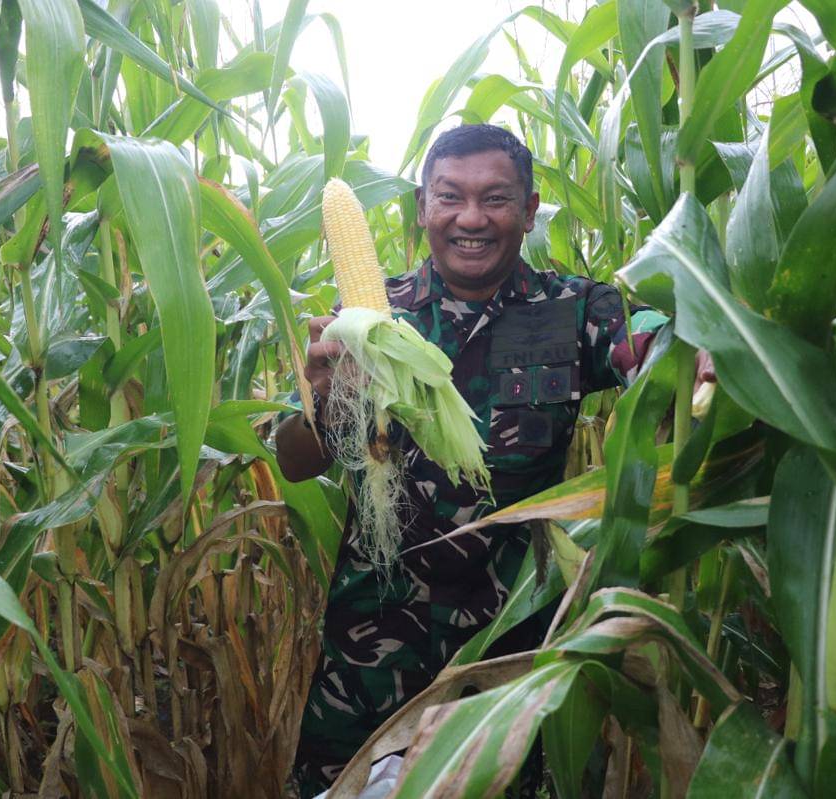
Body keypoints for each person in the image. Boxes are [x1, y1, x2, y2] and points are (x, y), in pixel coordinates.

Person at [276, 124, 702, 797]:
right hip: (370, 651)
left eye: (496, 199)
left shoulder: (575, 310)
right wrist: (324, 403)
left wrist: (693, 347)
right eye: (450, 197)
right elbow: (294, 462)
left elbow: (643, 339)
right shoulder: (365, 314)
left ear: (530, 211)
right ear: (422, 207)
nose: (471, 218)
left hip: (507, 650)